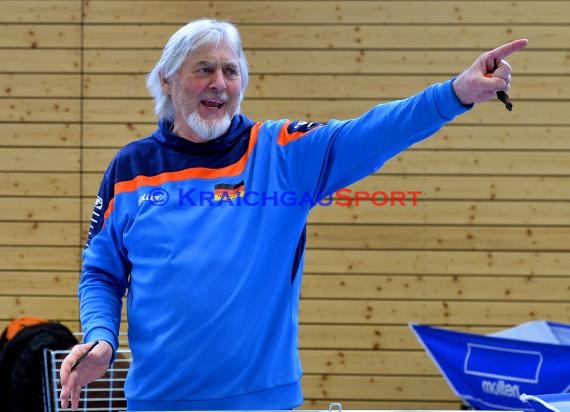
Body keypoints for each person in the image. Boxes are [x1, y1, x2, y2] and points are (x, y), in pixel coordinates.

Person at [59, 17, 528, 411]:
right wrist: (101, 337)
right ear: (167, 79)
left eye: (231, 70)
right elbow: (101, 271)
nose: (219, 84)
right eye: (203, 69)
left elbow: (374, 131)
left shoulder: (282, 152)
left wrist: (455, 93)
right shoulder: (129, 169)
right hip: (157, 402)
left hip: (263, 402)